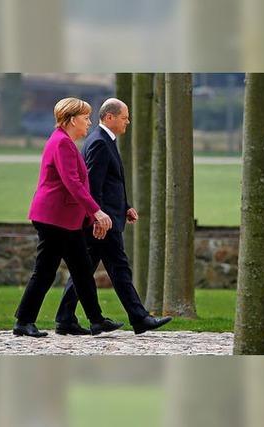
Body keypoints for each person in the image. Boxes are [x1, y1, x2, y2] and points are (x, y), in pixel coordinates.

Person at [55, 98, 172, 335]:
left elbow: (111, 182)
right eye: (124, 117)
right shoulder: (99, 142)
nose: (128, 121)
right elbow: (93, 184)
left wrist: (125, 206)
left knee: (85, 269)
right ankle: (139, 318)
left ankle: (65, 318)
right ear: (110, 117)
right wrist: (98, 217)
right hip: (103, 222)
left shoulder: (105, 140)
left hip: (106, 217)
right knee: (118, 269)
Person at [14, 97, 124, 338]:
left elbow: (75, 184)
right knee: (46, 271)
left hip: (63, 219)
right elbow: (72, 183)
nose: (89, 122)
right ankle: (24, 321)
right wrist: (96, 211)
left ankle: (95, 320)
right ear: (72, 119)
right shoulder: (62, 143)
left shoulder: (64, 142)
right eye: (85, 118)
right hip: (54, 218)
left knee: (82, 270)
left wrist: (89, 216)